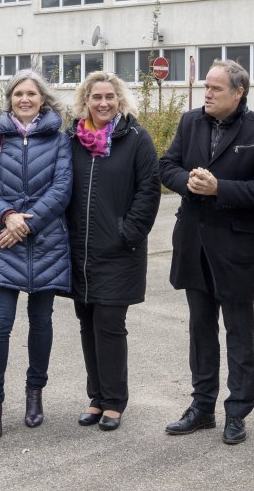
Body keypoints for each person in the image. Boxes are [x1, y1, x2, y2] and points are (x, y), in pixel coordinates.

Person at [159, 60, 254, 445]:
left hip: (235, 245)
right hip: (193, 242)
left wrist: (220, 189)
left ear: (238, 92)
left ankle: (238, 411)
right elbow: (166, 166)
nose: (206, 94)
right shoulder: (189, 122)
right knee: (200, 330)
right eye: (206, 87)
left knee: (239, 333)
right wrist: (188, 182)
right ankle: (202, 407)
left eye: (215, 88)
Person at [0, 69, 72, 440]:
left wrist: (26, 225)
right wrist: (8, 217)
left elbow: (63, 189)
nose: (24, 99)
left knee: (41, 323)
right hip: (4, 242)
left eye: (31, 93)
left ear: (42, 99)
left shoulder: (60, 140)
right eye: (18, 94)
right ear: (10, 100)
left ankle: (35, 395)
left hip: (46, 242)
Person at [65, 71, 161, 431]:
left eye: (110, 97)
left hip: (118, 251)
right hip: (80, 251)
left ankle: (115, 400)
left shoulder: (136, 139)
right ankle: (96, 397)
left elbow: (148, 191)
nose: (103, 103)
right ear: (85, 101)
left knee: (109, 324)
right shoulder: (72, 138)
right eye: (96, 97)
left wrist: (127, 233)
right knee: (86, 323)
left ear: (120, 99)